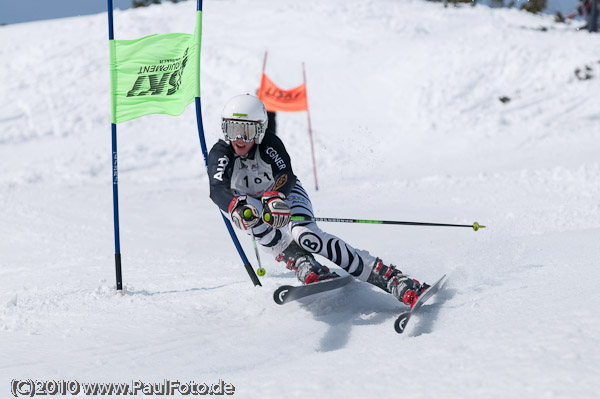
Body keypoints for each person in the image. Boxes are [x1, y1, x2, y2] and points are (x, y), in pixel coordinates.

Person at [207, 94, 429, 307]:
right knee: (249, 215)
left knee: (306, 236)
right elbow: (216, 189)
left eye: (246, 131)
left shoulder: (269, 144)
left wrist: (276, 195)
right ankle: (301, 261)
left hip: (285, 195)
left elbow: (286, 175)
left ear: (260, 130)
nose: (239, 139)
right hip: (252, 204)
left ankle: (391, 278)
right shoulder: (221, 153)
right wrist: (233, 206)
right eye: (233, 129)